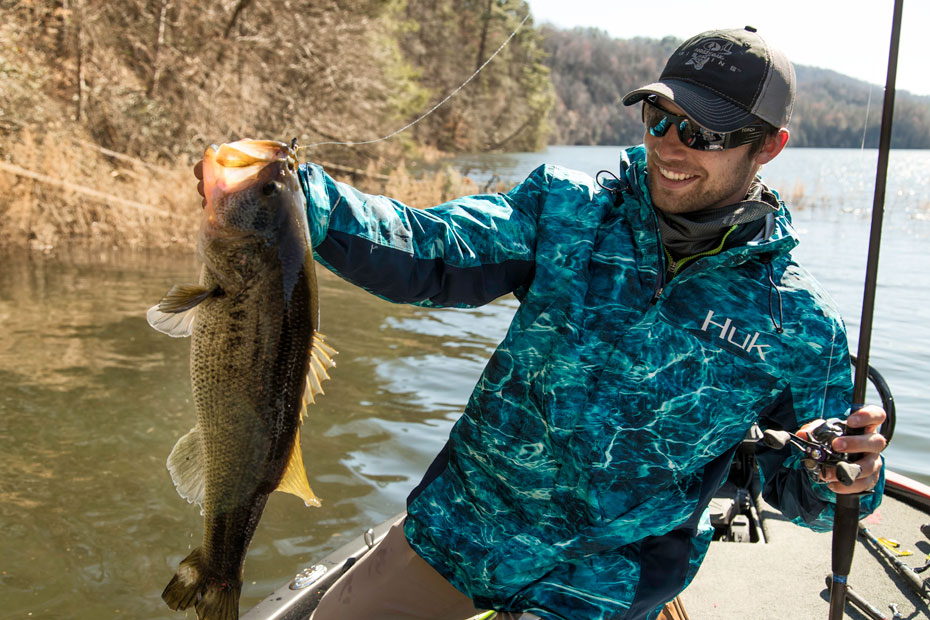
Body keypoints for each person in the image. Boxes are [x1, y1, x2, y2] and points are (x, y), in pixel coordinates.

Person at [201, 26, 888, 620]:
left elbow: (820, 495)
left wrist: (847, 476)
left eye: (705, 133)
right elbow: (430, 250)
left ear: (768, 146)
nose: (673, 148)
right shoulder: (567, 209)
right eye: (659, 118)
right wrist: (292, 196)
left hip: (605, 585)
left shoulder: (798, 321)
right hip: (465, 526)